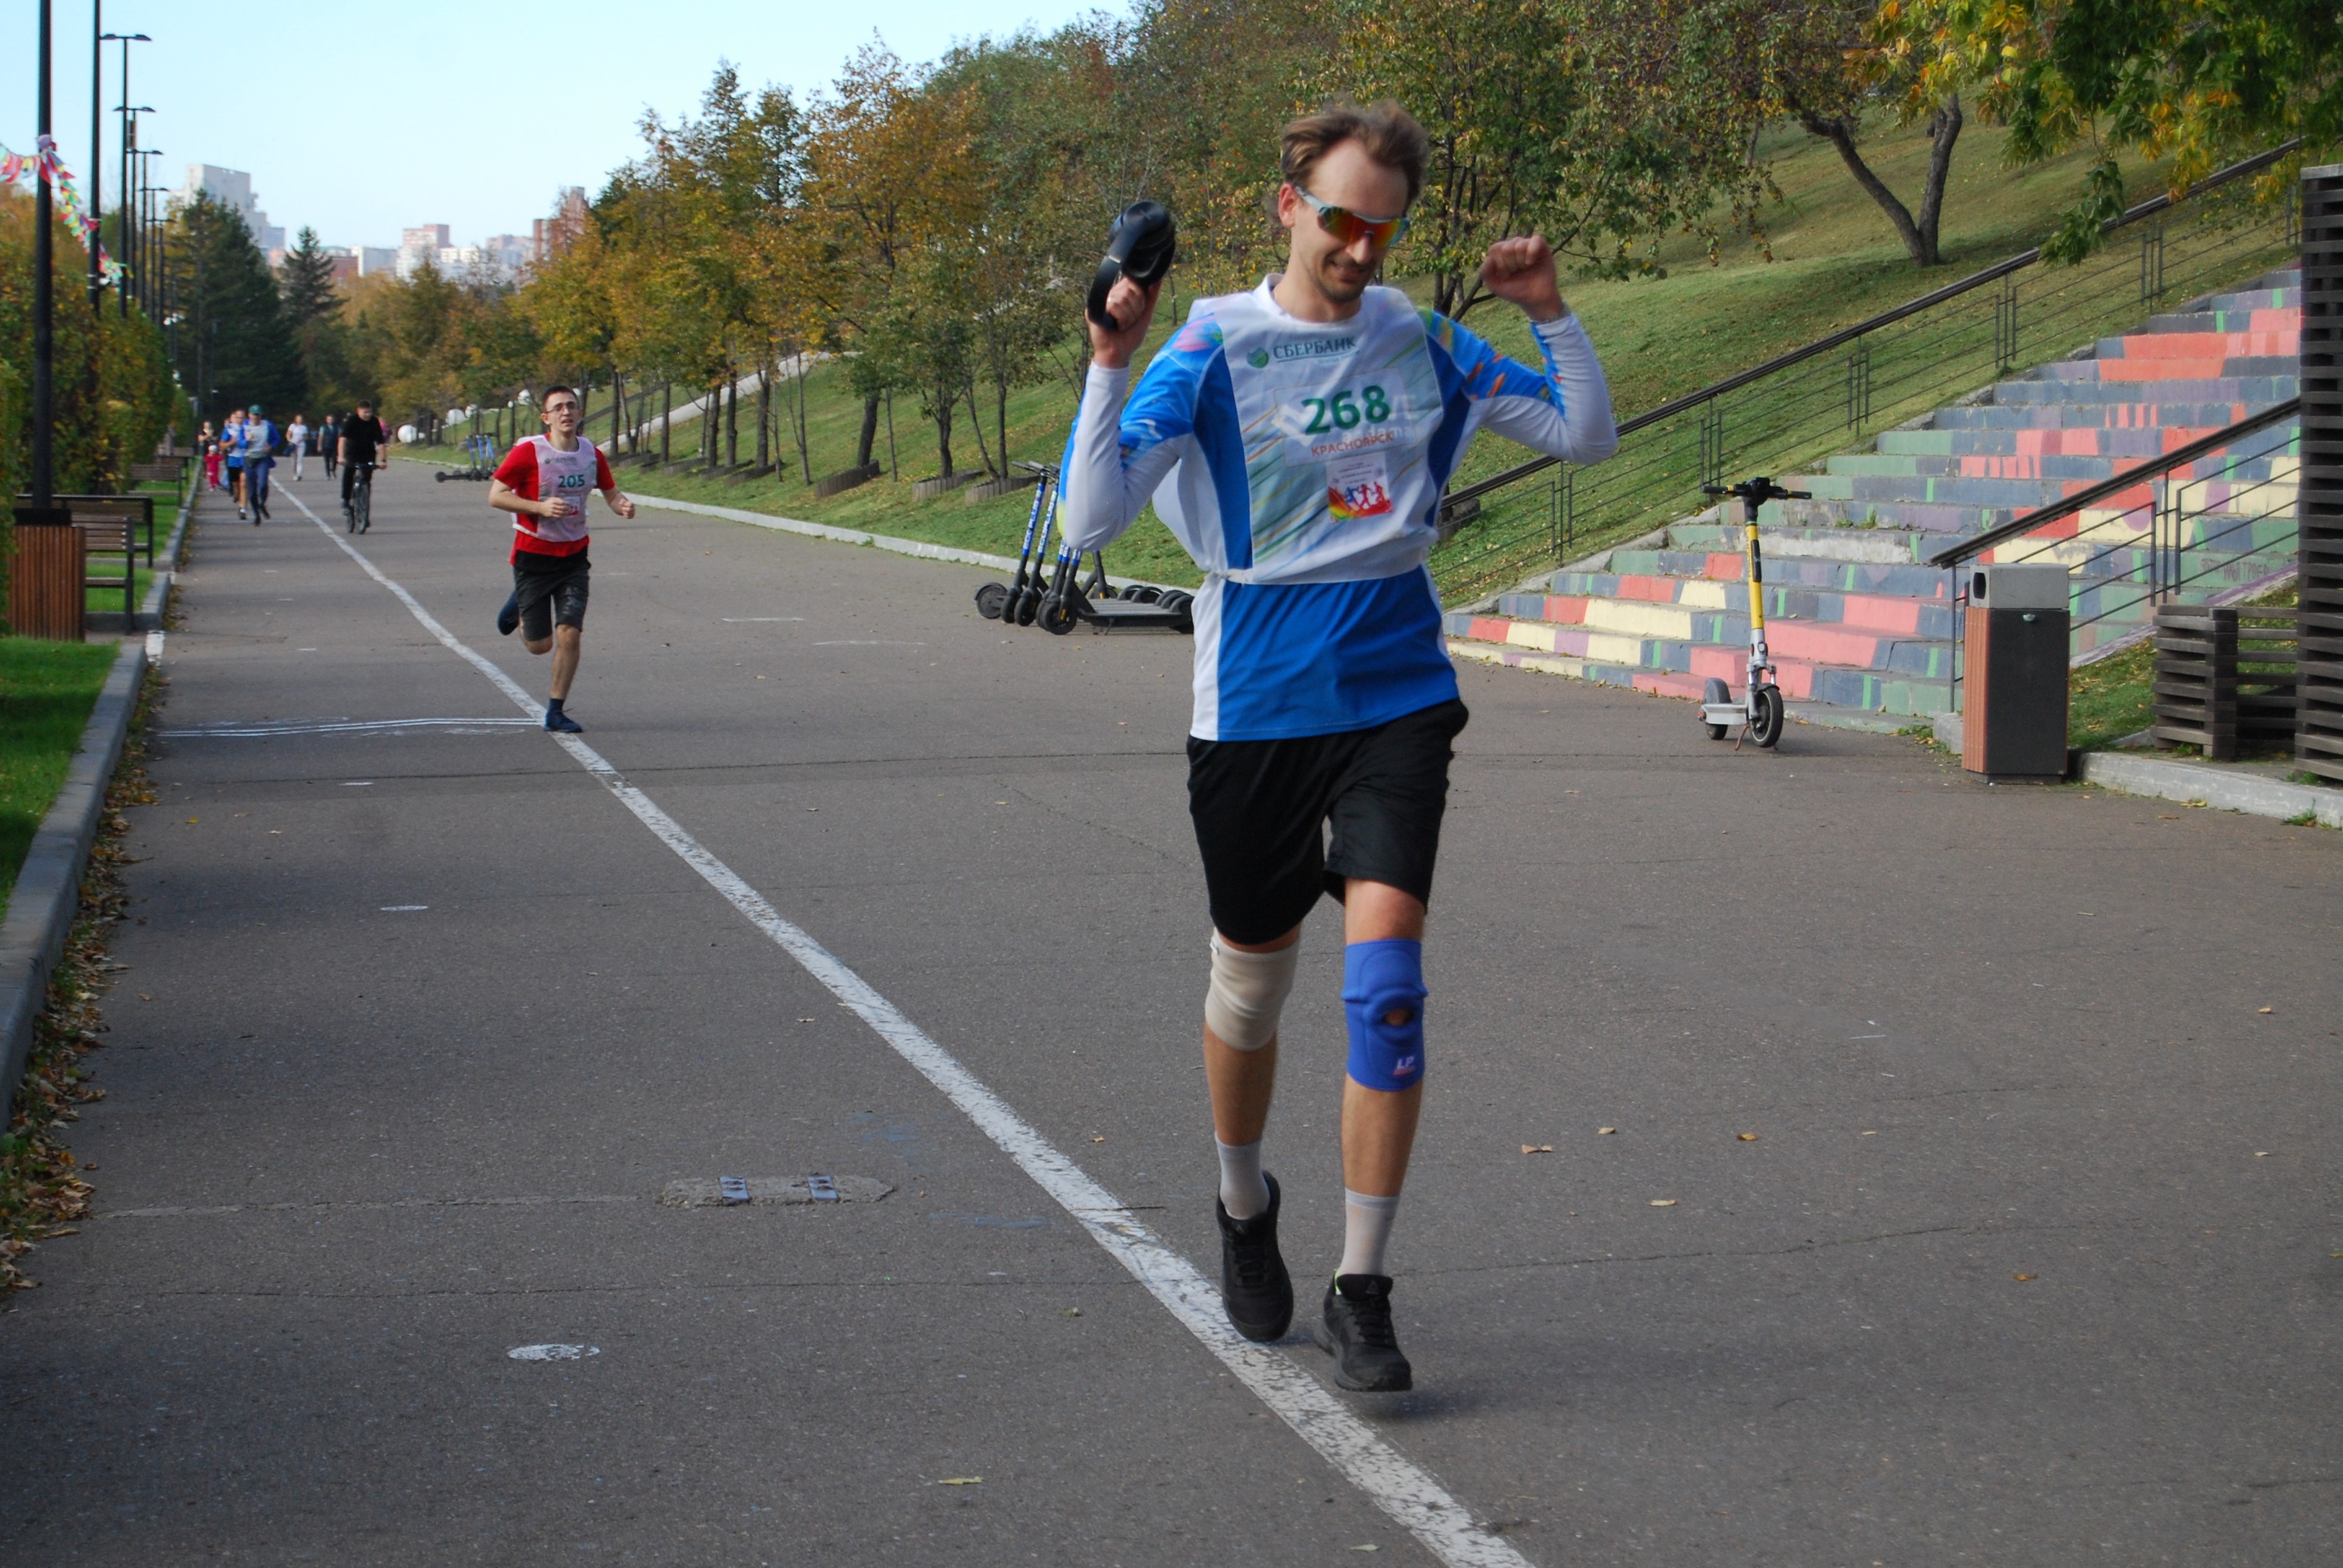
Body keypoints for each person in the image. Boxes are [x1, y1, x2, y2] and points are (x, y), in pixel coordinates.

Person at [1059, 101, 1617, 1393]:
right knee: (1251, 991)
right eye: (1341, 221)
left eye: (1384, 229)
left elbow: (1582, 435)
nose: (1361, 249)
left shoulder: (1423, 339)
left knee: (1386, 988)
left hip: (1393, 694)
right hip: (1254, 704)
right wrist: (1108, 361)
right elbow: (1090, 520)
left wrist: (1548, 311)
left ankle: (1363, 1282)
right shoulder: (1210, 344)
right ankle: (1241, 1199)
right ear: (1287, 205)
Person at [487, 385, 638, 734]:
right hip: (533, 557)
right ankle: (519, 607)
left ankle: (555, 712)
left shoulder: (590, 454)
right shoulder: (529, 452)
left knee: (570, 634)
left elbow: (611, 493)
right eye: (558, 408)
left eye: (571, 406)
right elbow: (496, 495)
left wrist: (623, 506)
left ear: (580, 413)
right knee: (540, 646)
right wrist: (539, 508)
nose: (565, 412)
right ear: (546, 417)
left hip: (573, 557)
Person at [338, 402, 388, 522]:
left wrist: (383, 460)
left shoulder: (374, 421)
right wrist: (341, 456)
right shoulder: (352, 420)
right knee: (349, 472)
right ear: (358, 411)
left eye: (369, 412)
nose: (367, 415)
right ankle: (346, 499)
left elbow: (381, 442)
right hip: (352, 452)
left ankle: (364, 511)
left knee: (367, 479)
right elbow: (343, 439)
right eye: (365, 412)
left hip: (368, 453)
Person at [240, 404, 279, 523]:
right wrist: (247, 441)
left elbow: (276, 438)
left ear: (261, 415)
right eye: (253, 415)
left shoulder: (268, 425)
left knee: (262, 484)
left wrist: (271, 446)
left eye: (258, 415)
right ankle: (256, 514)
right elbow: (240, 443)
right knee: (252, 491)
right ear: (249, 415)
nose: (256, 417)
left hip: (262, 459)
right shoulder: (245, 427)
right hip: (249, 460)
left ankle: (262, 503)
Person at [223, 410, 247, 517]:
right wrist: (232, 442)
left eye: (242, 418)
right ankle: (236, 492)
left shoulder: (248, 428)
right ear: (235, 418)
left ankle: (243, 509)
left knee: (244, 483)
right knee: (236, 485)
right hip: (233, 459)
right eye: (238, 418)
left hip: (245, 459)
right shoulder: (229, 429)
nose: (240, 420)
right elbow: (222, 446)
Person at [286, 413, 310, 481]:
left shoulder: (304, 427)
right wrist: (290, 441)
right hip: (293, 444)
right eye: (298, 419)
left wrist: (302, 439)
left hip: (301, 445)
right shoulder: (292, 426)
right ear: (296, 419)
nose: (300, 420)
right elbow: (288, 434)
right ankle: (295, 474)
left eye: (301, 419)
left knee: (300, 460)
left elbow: (306, 436)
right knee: (294, 460)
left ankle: (299, 474)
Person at [321, 411, 342, 479]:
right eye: (329, 419)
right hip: (326, 446)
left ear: (334, 420)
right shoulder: (323, 427)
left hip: (335, 446)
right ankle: (328, 474)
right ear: (326, 420)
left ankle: (333, 470)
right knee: (326, 461)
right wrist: (319, 445)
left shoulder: (337, 427)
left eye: (331, 419)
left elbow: (339, 436)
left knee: (335, 459)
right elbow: (321, 437)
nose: (330, 421)